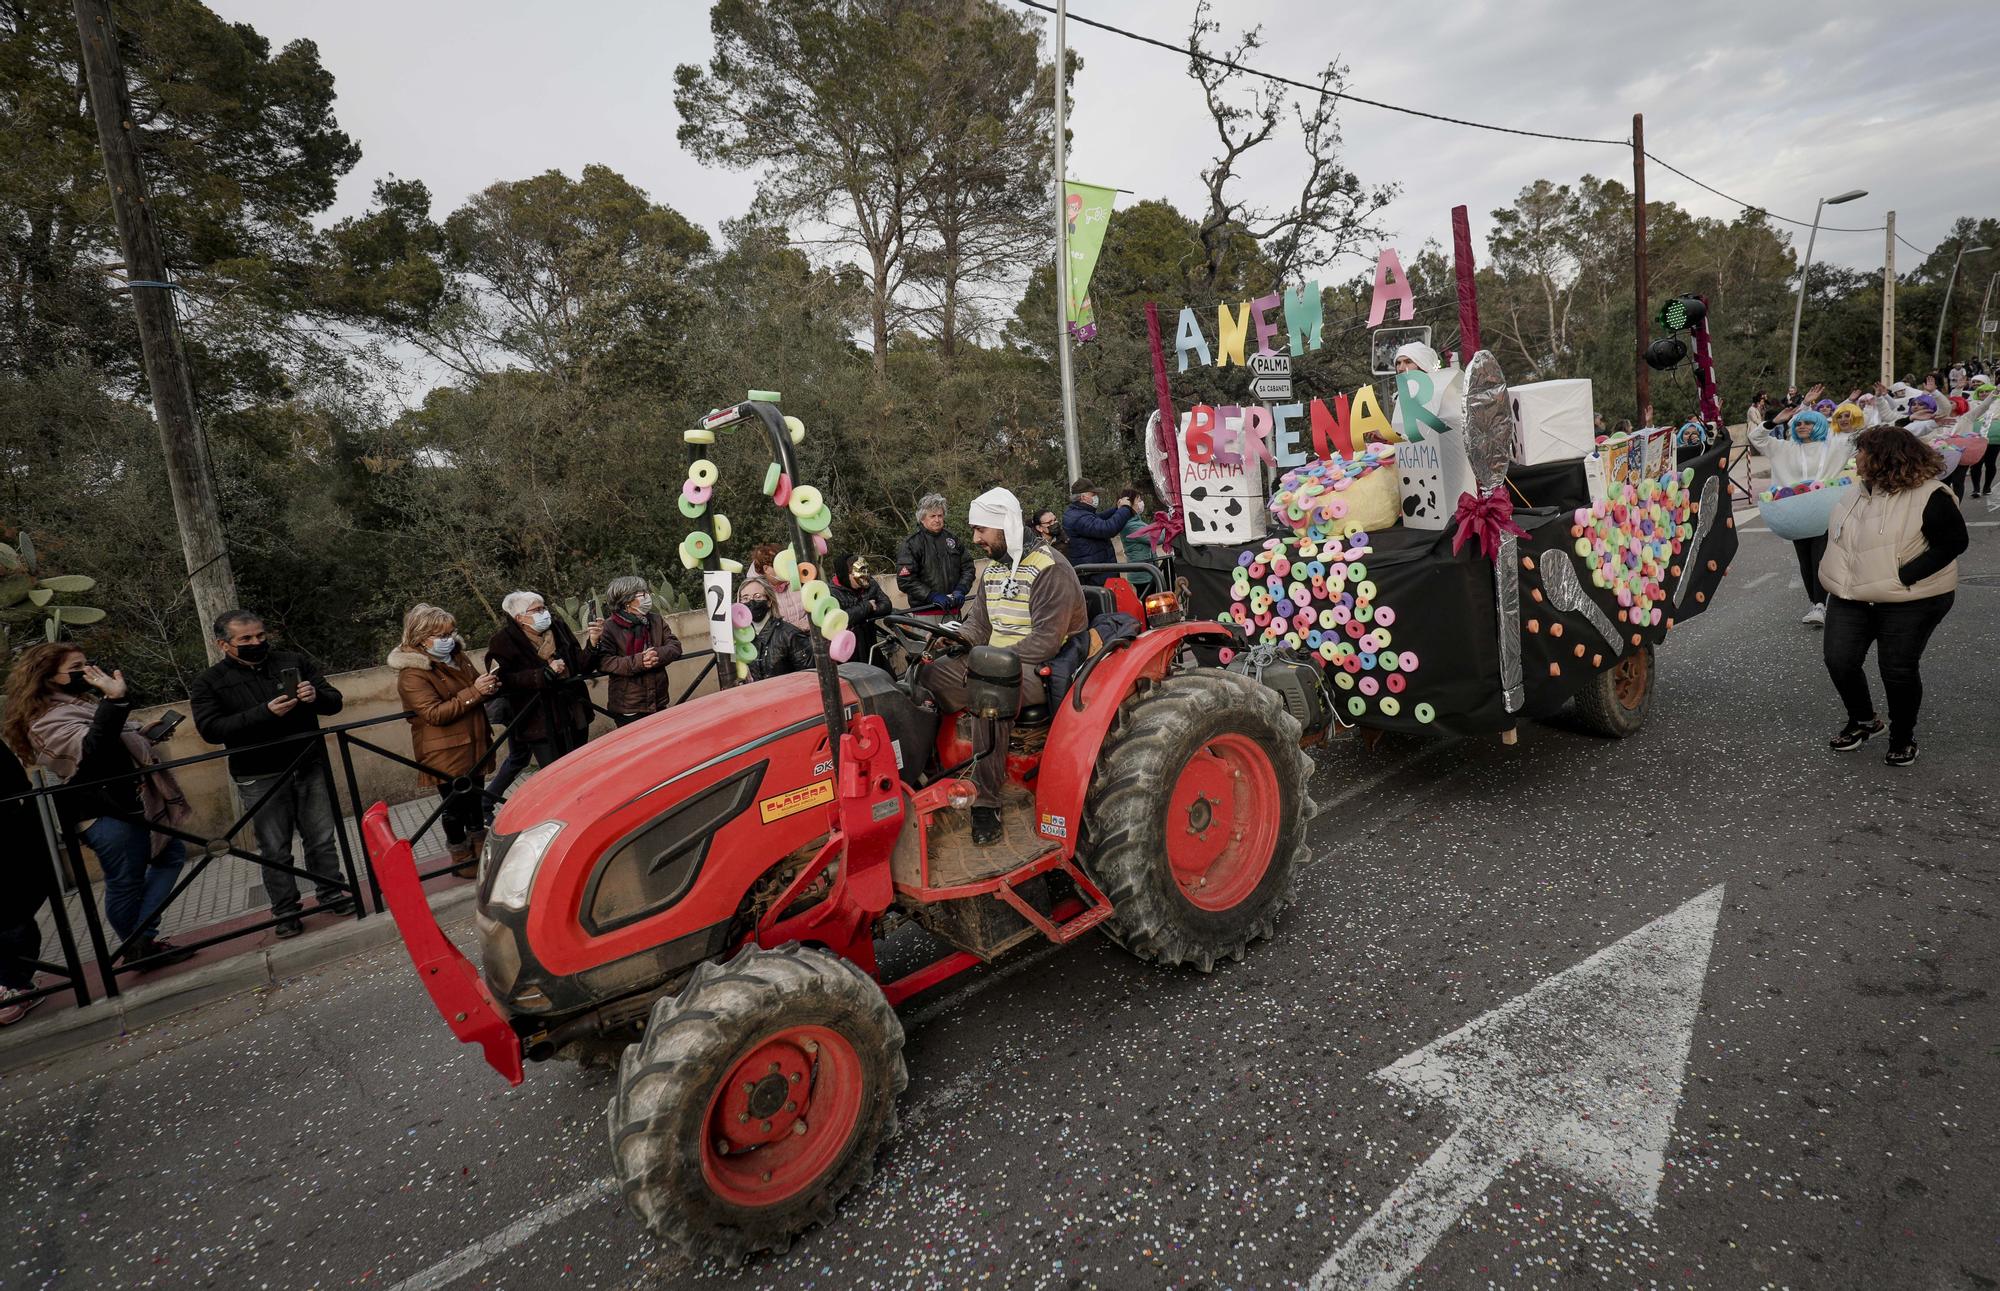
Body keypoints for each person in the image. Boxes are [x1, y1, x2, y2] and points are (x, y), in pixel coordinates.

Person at [6, 644, 193, 966]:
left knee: (169, 854)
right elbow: (92, 752)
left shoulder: (79, 705)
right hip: (103, 812)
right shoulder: (44, 720)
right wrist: (115, 701)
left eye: (86, 663)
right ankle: (139, 945)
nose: (87, 671)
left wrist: (138, 735)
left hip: (129, 803)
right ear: (50, 678)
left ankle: (139, 943)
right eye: (76, 667)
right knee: (126, 880)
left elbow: (108, 740)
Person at [918, 487, 1086, 845]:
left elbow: (1046, 641)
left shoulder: (1050, 568)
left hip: (1037, 666)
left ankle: (987, 801)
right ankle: (931, 773)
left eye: (982, 530)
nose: (975, 538)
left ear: (1005, 526)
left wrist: (985, 662)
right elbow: (979, 625)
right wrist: (955, 640)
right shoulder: (993, 571)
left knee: (987, 693)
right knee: (926, 673)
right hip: (992, 661)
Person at [189, 611, 350, 939]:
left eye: (260, 636)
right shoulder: (209, 681)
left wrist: (315, 697)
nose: (256, 643)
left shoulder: (292, 661)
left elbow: (334, 702)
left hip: (309, 762)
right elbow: (211, 729)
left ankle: (332, 893)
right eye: (245, 639)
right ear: (223, 644)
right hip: (258, 773)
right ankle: (286, 911)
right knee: (275, 847)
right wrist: (263, 714)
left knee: (321, 837)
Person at [1818, 427, 1968, 766]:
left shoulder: (1932, 495)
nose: (1856, 458)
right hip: (1851, 595)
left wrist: (1903, 576)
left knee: (1897, 669)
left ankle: (1903, 735)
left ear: (1885, 458)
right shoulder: (1852, 494)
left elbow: (1953, 544)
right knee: (1839, 660)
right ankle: (1864, 721)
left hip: (1911, 599)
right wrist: (1826, 578)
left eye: (1862, 452)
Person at [388, 605, 498, 876]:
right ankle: (461, 855)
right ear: (422, 637)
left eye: (451, 633)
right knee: (454, 805)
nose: (449, 639)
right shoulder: (412, 673)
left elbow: (474, 687)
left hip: (474, 741)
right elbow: (434, 714)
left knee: (474, 799)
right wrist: (475, 692)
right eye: (441, 634)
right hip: (444, 750)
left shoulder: (457, 657)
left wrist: (489, 685)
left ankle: (480, 847)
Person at [483, 591, 601, 812]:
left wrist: (593, 644)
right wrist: (543, 674)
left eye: (543, 608)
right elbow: (502, 680)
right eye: (537, 610)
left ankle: (586, 811)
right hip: (539, 720)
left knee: (579, 768)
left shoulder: (558, 628)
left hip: (573, 712)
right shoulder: (503, 642)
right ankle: (562, 815)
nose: (543, 613)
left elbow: (581, 665)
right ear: (519, 617)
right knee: (554, 776)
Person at [1750, 394, 1858, 628]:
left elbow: (1856, 440)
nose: (1802, 426)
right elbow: (1756, 438)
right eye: (1799, 423)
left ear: (1819, 425)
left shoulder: (1833, 446)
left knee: (1819, 555)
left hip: (1823, 509)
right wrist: (1774, 422)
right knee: (1805, 560)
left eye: (1808, 422)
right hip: (1795, 513)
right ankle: (1816, 603)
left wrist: (1850, 419)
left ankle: (1820, 604)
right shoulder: (1783, 448)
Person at [0, 743, 51, 1022]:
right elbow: (17, 783)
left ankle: (12, 984)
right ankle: (12, 985)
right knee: (14, 919)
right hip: (9, 844)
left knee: (14, 918)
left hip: (10, 844)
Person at [597, 576, 684, 725]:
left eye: (646, 592)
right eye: (642, 594)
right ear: (626, 601)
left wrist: (657, 654)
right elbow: (605, 661)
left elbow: (675, 646)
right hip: (628, 706)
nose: (647, 597)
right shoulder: (610, 627)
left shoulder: (655, 620)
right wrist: (639, 661)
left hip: (658, 701)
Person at [896, 494, 974, 614]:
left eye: (940, 516)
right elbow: (905, 580)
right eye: (932, 516)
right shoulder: (911, 544)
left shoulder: (953, 539)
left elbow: (968, 567)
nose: (937, 520)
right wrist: (931, 596)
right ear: (922, 519)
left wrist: (961, 589)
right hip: (925, 613)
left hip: (953, 610)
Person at [740, 576, 815, 680]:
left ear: (769, 601)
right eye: (745, 598)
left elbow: (810, 677)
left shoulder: (790, 635)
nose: (751, 602)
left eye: (757, 596)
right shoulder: (744, 639)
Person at [827, 553, 894, 667]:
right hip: (849, 651)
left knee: (888, 678)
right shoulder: (831, 592)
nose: (865, 578)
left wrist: (862, 615)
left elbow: (886, 605)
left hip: (870, 643)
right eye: (859, 575)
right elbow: (840, 619)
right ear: (845, 575)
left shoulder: (870, 583)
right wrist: (866, 607)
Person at [1061, 478, 1136, 579]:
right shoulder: (1079, 517)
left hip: (1096, 570)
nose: (1096, 497)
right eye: (1093, 495)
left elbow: (1098, 519)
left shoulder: (1077, 512)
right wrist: (1125, 508)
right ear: (1083, 497)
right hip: (1094, 575)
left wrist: (1117, 509)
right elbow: (1107, 529)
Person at [749, 544, 810, 630]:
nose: (784, 569)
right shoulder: (760, 592)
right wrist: (793, 629)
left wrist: (807, 624)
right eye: (778, 567)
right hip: (784, 640)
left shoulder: (800, 579)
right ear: (766, 569)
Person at [1114, 486, 1158, 592]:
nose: (1141, 503)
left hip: (1147, 570)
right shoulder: (1130, 524)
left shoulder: (1135, 520)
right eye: (1138, 500)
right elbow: (1153, 538)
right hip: (1142, 573)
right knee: (1147, 602)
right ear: (1130, 503)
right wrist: (1167, 526)